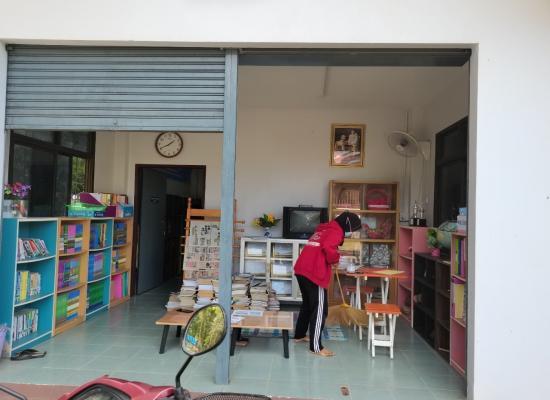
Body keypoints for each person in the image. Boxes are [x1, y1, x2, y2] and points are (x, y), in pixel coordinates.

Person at [293, 211, 362, 357]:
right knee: (320, 309)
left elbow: (323, 247)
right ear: (348, 226)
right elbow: (328, 248)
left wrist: (333, 257)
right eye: (353, 230)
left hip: (301, 269)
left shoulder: (324, 229)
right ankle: (316, 347)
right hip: (313, 273)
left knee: (307, 305)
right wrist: (335, 259)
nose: (351, 233)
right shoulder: (336, 231)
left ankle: (299, 335)